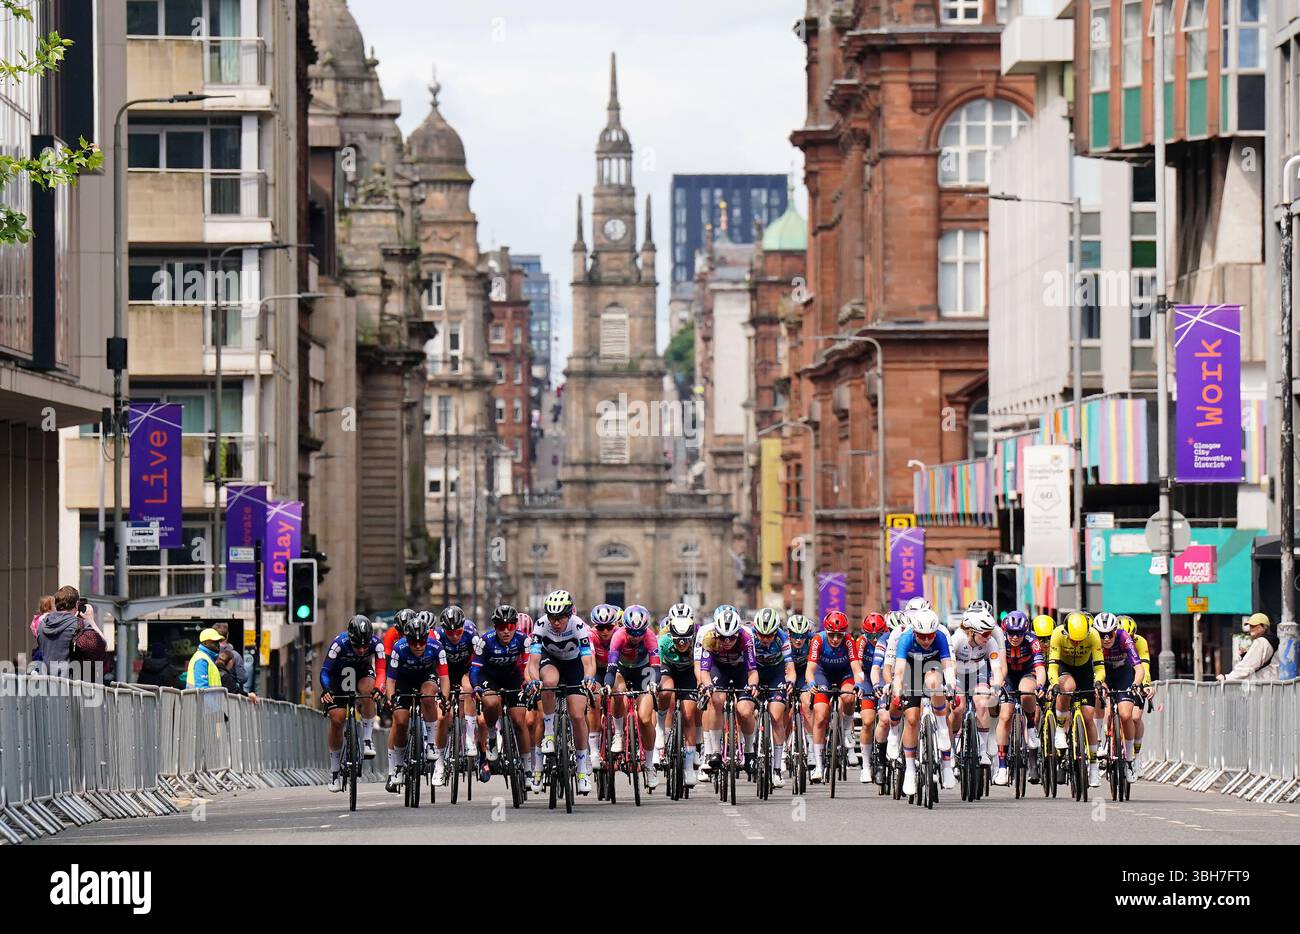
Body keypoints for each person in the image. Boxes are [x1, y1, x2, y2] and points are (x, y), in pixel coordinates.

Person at [525, 590, 599, 795]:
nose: (556, 622)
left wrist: (589, 679)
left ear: (569, 615)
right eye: (552, 617)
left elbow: (588, 662)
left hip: (575, 665)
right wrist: (534, 680)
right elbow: (533, 662)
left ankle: (583, 769)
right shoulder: (540, 625)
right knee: (548, 682)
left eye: (560, 618)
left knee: (577, 715)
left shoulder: (579, 626)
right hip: (552, 661)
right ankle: (549, 734)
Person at [472, 605, 537, 791]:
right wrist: (476, 686)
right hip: (489, 678)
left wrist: (530, 682)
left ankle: (527, 771)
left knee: (519, 721)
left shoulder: (523, 640)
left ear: (516, 625)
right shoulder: (485, 641)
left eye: (510, 626)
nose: (506, 630)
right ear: (495, 627)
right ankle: (492, 737)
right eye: (501, 627)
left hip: (513, 677)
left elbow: (527, 667)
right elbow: (475, 669)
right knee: (491, 702)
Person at [383, 613, 449, 792]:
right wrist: (392, 699)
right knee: (401, 721)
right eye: (414, 642)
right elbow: (390, 680)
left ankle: (431, 744)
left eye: (422, 642)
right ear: (408, 639)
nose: (418, 646)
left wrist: (444, 697)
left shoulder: (437, 647)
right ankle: (397, 766)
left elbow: (444, 677)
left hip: (426, 677)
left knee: (429, 696)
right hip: (404, 680)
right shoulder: (399, 647)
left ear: (427, 638)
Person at [321, 615, 386, 792]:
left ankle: (366, 739)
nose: (362, 649)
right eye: (357, 645)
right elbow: (325, 671)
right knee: (337, 719)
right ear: (350, 638)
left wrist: (379, 688)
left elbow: (381, 670)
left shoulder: (377, 644)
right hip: (337, 676)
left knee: (369, 692)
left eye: (366, 646)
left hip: (363, 672)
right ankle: (334, 771)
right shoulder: (338, 644)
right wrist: (327, 690)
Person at [804, 610, 866, 782]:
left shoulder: (848, 641)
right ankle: (818, 765)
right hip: (823, 674)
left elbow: (856, 668)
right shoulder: (818, 639)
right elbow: (810, 669)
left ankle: (846, 729)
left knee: (848, 697)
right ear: (826, 632)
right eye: (832, 635)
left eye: (839, 635)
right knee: (821, 715)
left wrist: (858, 683)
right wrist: (810, 683)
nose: (836, 639)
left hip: (844, 674)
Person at [1047, 611, 1105, 787]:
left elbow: (1100, 667)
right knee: (1068, 687)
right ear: (1066, 632)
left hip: (1085, 669)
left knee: (1088, 718)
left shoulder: (1094, 635)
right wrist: (1054, 683)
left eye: (1080, 640)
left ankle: (1094, 767)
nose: (1077, 643)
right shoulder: (1057, 633)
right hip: (1065, 667)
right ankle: (1059, 729)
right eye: (1073, 640)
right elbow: (1052, 667)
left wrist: (1098, 682)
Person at [1220, 613, 1280, 683]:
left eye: (1254, 625)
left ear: (1264, 626)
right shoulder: (1271, 642)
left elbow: (1247, 666)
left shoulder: (1261, 641)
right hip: (1270, 685)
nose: (1251, 628)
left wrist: (1227, 678)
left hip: (1261, 686)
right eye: (1250, 626)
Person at [37, 585, 88, 665]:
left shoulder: (42, 624)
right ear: (76, 604)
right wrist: (91, 621)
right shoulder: (80, 625)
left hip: (46, 675)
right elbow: (102, 646)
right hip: (70, 676)